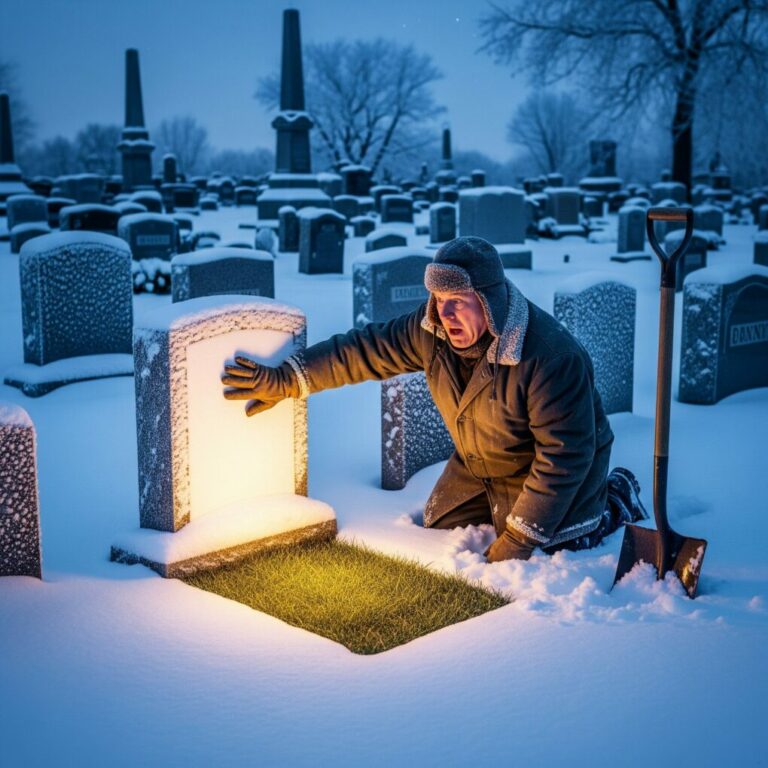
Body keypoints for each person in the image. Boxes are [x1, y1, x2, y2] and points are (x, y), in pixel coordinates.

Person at [221, 236, 646, 562]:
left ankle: (617, 497)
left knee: (554, 545)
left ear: (491, 302)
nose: (445, 314)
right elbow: (365, 350)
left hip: (557, 473)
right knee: (439, 523)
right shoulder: (432, 331)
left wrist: (519, 537)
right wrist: (287, 379)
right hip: (481, 465)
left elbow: (564, 455)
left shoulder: (550, 357)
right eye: (440, 300)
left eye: (458, 301)